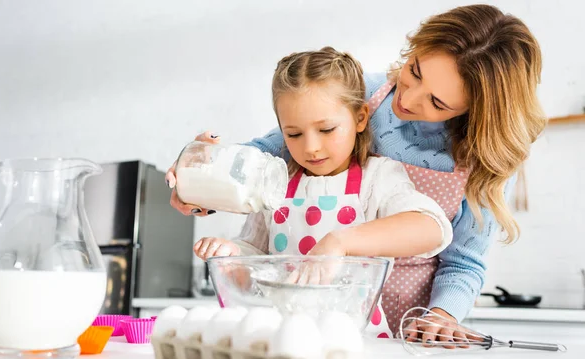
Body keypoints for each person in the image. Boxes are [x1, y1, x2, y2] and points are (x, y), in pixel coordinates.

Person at [166, 4, 545, 338]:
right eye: (414, 71)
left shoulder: (485, 158)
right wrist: (202, 179)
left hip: (408, 327)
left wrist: (440, 318)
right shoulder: (365, 94)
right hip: (311, 324)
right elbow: (268, 155)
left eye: (437, 102)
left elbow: (462, 260)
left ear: (473, 110)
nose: (407, 99)